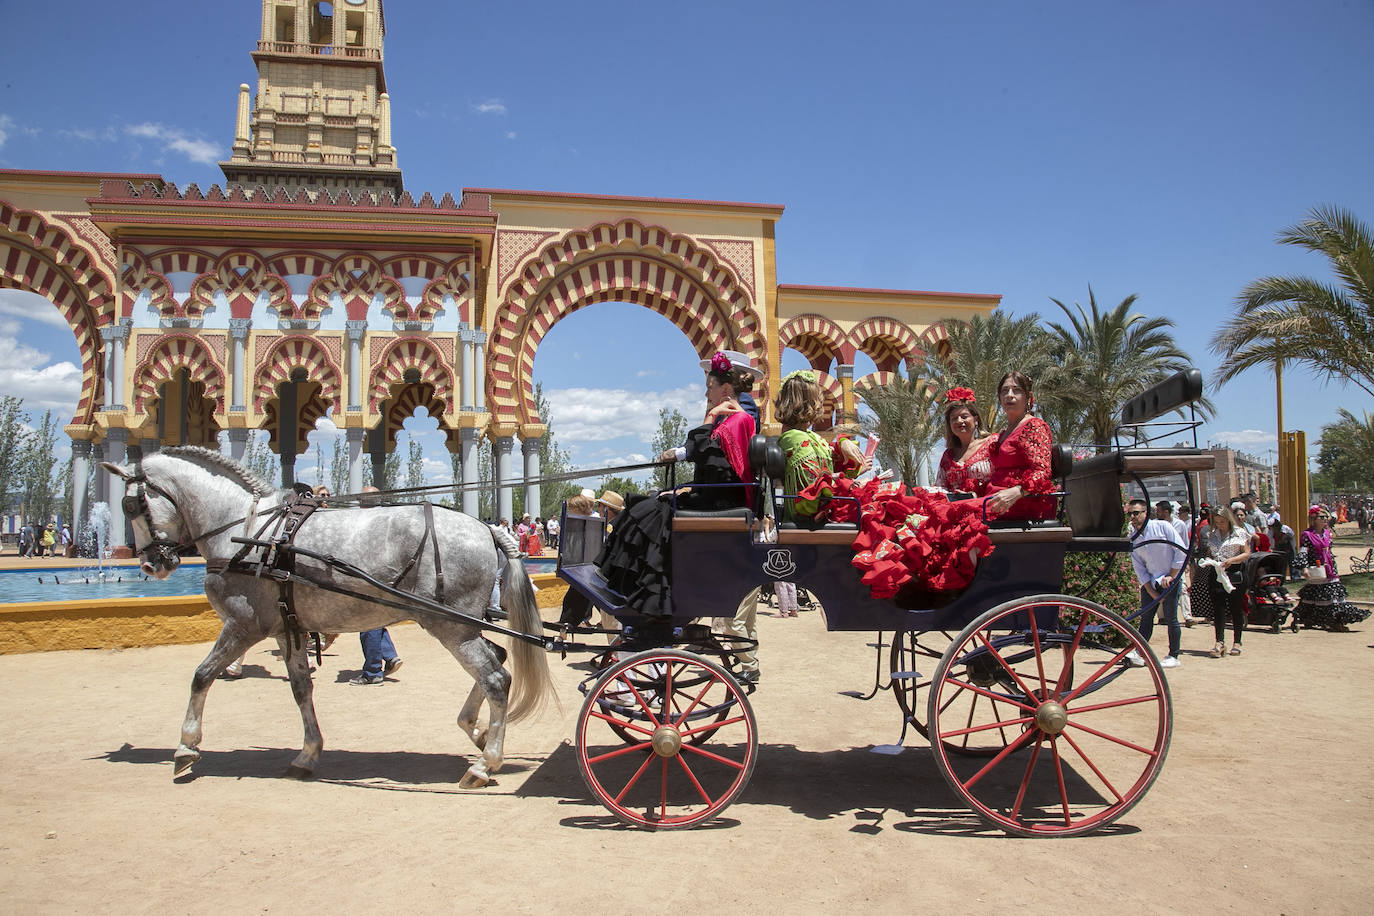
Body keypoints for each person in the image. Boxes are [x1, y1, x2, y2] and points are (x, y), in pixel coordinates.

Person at [595, 351, 758, 619]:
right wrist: (685, 489)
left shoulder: (738, 420)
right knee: (652, 503)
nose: (707, 395)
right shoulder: (733, 420)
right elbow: (715, 468)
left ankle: (646, 594)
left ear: (725, 389)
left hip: (719, 502)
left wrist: (710, 416)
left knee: (647, 512)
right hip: (714, 496)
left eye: (710, 388)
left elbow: (708, 457)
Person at [984, 371, 1056, 521]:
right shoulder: (1004, 433)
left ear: (1028, 397)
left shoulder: (1034, 426)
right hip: (996, 500)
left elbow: (1042, 472)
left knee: (948, 513)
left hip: (1021, 503)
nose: (1009, 395)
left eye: (1016, 390)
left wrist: (1018, 491)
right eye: (1004, 391)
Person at [1126, 498, 1186, 668]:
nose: (1133, 517)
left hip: (1169, 580)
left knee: (1171, 618)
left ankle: (1174, 655)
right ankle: (1139, 652)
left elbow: (1180, 552)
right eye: (1130, 514)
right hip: (1151, 582)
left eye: (1136, 513)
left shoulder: (1163, 527)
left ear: (1146, 513)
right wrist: (1152, 592)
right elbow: (1139, 567)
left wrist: (1172, 576)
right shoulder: (1134, 538)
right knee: (1146, 618)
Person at [351, 486, 402, 686]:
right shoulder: (386, 519)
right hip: (387, 579)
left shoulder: (364, 522)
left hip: (369, 579)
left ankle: (373, 671)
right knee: (376, 622)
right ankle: (390, 656)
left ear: (362, 502)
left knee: (368, 624)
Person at [1293, 505, 1370, 631]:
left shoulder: (1327, 533)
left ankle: (1333, 620)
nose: (1325, 519)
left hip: (1330, 568)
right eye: (1322, 517)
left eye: (1326, 517)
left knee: (1331, 594)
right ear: (1314, 518)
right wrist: (1303, 567)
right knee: (1317, 595)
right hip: (1317, 567)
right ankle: (1316, 619)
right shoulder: (1307, 535)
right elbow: (1303, 552)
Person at [1201, 506, 1250, 658]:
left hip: (1234, 572)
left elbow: (1247, 553)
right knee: (1218, 608)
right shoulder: (1212, 534)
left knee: (1236, 608)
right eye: (1217, 522)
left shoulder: (1239, 533)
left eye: (1222, 521)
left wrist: (1232, 560)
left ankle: (1237, 641)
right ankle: (1219, 641)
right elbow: (1210, 551)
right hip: (1217, 572)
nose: (1220, 524)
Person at [935, 387, 994, 495]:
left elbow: (1004, 477)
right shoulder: (948, 456)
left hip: (989, 508)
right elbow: (940, 487)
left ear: (976, 420)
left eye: (964, 416)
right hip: (957, 509)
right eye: (954, 418)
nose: (959, 421)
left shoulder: (992, 444)